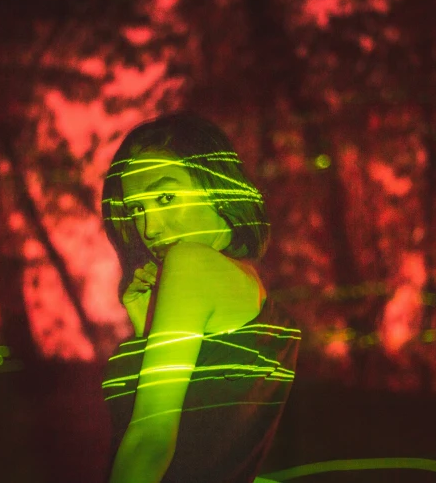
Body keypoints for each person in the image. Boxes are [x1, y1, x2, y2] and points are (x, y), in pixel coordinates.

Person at [100, 113, 301, 483]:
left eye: (165, 197)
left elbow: (150, 439)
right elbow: (208, 433)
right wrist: (147, 331)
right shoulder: (255, 296)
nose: (150, 228)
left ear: (216, 186)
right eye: (136, 209)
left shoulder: (191, 262)